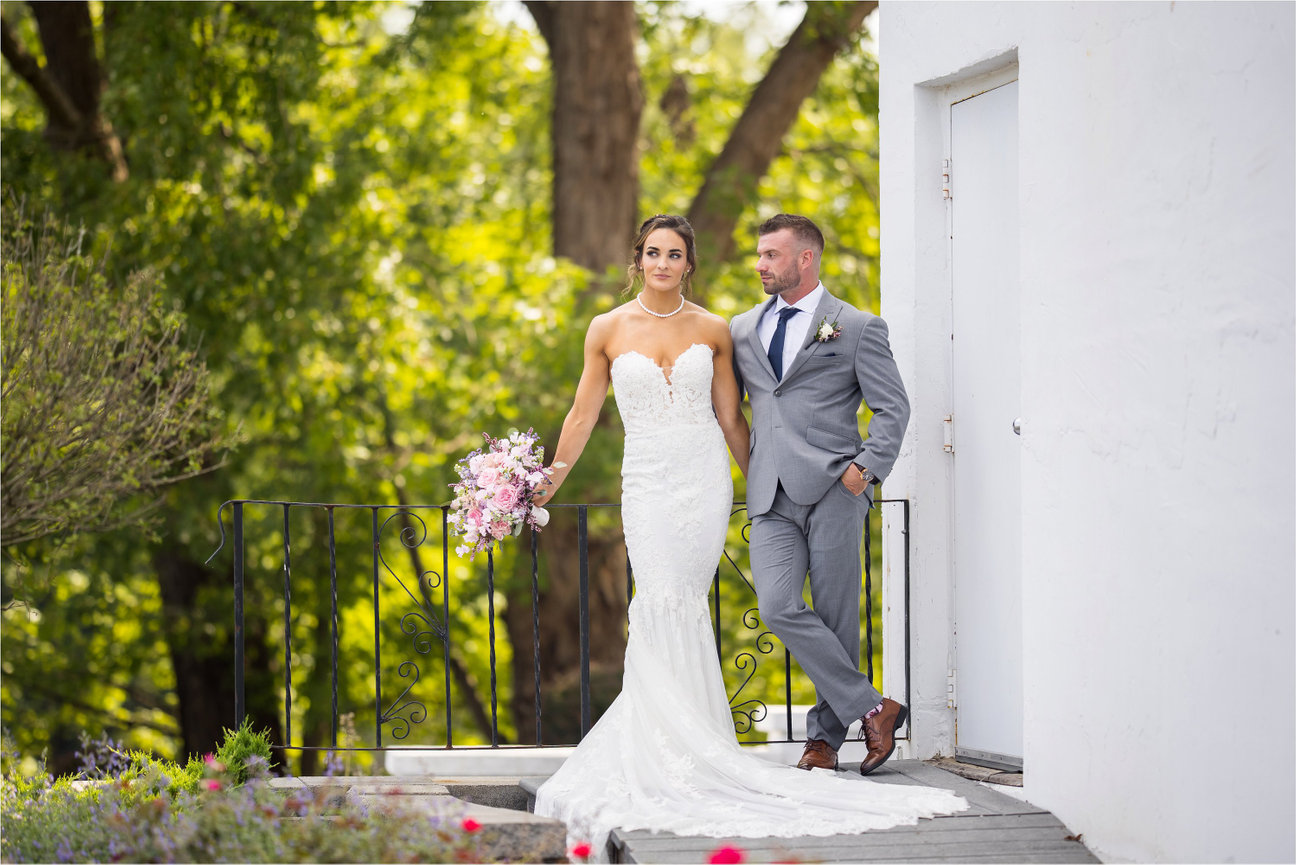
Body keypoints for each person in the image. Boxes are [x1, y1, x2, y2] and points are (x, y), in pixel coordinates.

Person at [532, 214, 964, 857]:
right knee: (730, 603)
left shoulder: (759, 327)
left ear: (690, 263)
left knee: (833, 612)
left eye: (674, 253)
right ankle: (847, 710)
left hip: (757, 483)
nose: (662, 262)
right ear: (638, 258)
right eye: (652, 252)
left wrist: (841, 472)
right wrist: (544, 483)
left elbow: (740, 415)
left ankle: (825, 740)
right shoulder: (682, 328)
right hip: (668, 482)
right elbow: (584, 412)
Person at [730, 213, 911, 777]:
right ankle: (875, 709)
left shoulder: (856, 326)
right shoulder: (740, 329)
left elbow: (893, 407)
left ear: (805, 258)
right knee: (779, 606)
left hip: (836, 486)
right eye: (759, 255)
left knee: (837, 617)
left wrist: (866, 470)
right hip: (770, 495)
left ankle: (823, 742)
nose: (760, 265)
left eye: (771, 255)